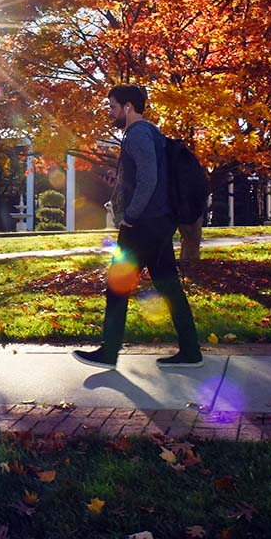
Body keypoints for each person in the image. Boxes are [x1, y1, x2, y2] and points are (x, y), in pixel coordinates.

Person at [73, 84, 204, 370]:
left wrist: (130, 214)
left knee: (117, 285)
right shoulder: (151, 134)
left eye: (113, 107)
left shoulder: (138, 134)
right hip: (157, 222)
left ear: (128, 107)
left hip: (142, 224)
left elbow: (150, 179)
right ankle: (191, 351)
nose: (111, 113)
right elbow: (146, 178)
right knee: (168, 284)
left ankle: (109, 353)